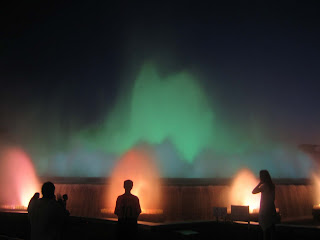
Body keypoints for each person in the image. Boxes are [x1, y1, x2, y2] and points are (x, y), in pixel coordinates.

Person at [252, 170, 277, 240]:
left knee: (265, 231)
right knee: (272, 230)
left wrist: (259, 183)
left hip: (265, 211)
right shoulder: (272, 186)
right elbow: (272, 199)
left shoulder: (264, 186)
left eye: (261, 176)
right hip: (271, 210)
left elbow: (253, 191)